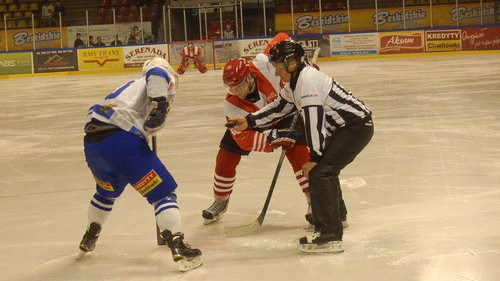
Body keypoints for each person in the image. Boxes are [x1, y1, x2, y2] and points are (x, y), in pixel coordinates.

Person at [228, 41, 373, 253]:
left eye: (279, 67)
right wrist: (249, 121)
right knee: (324, 170)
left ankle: (329, 236)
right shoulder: (296, 84)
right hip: (346, 128)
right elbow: (279, 108)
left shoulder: (308, 81)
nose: (277, 74)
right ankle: (336, 218)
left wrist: (314, 157)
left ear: (293, 63)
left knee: (320, 171)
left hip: (355, 127)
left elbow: (313, 121)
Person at [78, 57, 202, 271]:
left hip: (94, 145)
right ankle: (178, 245)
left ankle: (90, 236)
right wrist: (161, 105)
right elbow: (157, 72)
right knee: (163, 193)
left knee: (105, 193)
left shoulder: (127, 90)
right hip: (121, 141)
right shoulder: (155, 76)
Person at [201, 38, 313, 225]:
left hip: (285, 112)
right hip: (251, 121)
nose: (234, 91)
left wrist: (302, 62)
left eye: (238, 86)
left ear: (249, 78)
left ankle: (314, 200)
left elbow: (282, 38)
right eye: (230, 87)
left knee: (299, 154)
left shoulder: (263, 64)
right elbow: (244, 139)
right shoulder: (231, 105)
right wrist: (271, 141)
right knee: (225, 156)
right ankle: (220, 201)